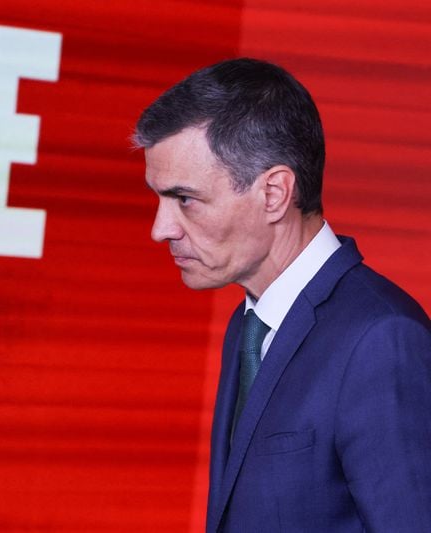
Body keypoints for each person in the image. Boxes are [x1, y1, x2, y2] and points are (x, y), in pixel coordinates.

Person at [134, 58, 431, 532]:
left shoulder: (381, 339)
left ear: (274, 194)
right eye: (159, 199)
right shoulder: (248, 327)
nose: (161, 229)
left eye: (185, 199)